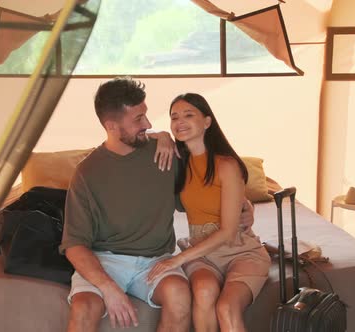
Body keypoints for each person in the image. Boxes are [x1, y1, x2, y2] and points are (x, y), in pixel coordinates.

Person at [60, 77, 255, 332]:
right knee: (84, 308)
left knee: (179, 296)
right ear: (112, 126)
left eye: (146, 115)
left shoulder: (164, 153)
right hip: (106, 260)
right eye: (138, 119)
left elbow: (203, 188)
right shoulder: (87, 172)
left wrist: (242, 202)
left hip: (156, 259)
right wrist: (109, 288)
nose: (149, 124)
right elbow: (74, 245)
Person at [148, 93, 271, 332]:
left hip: (239, 250)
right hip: (203, 252)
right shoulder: (177, 161)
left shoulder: (227, 165)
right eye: (174, 117)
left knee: (226, 307)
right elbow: (132, 133)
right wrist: (162, 135)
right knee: (203, 292)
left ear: (207, 121)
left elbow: (227, 231)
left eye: (188, 115)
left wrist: (178, 259)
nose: (180, 122)